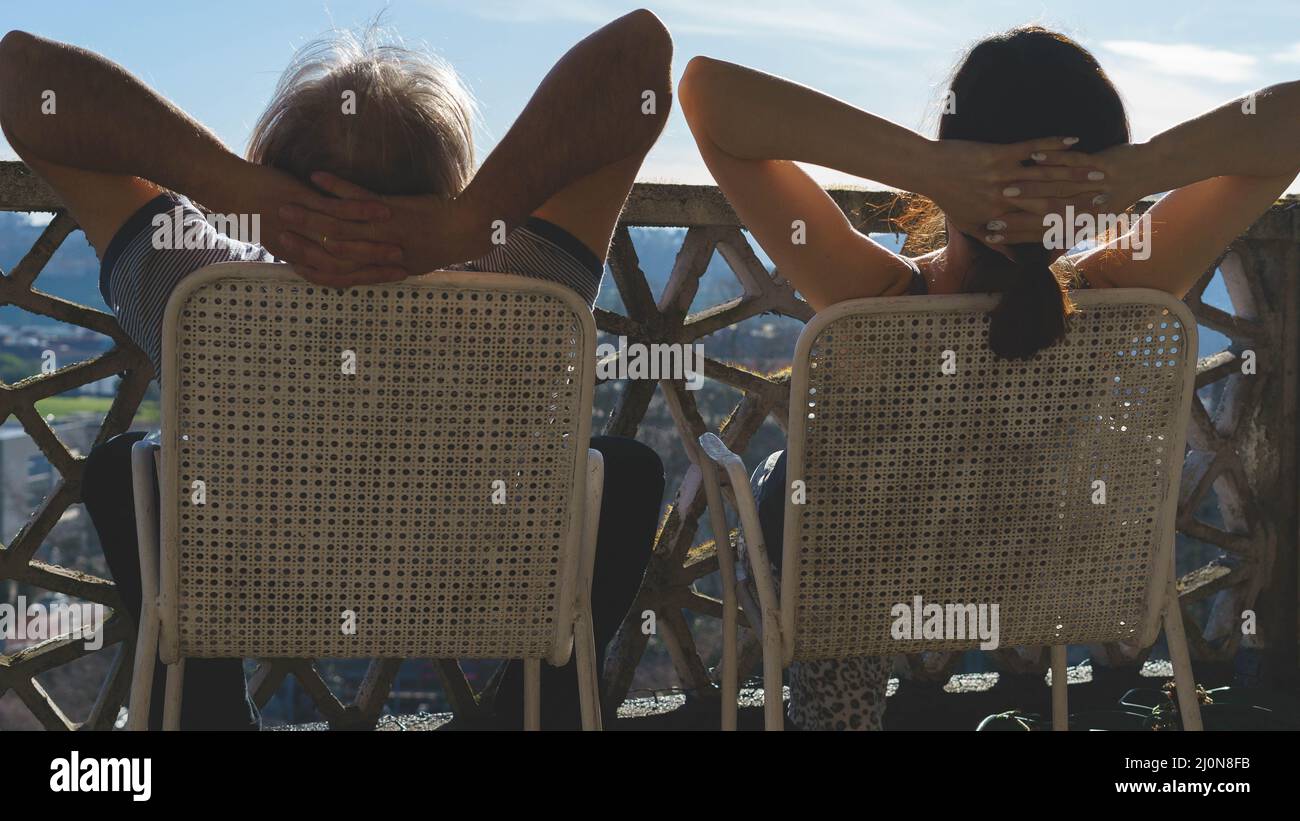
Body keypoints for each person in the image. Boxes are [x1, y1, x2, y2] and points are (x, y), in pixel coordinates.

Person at [0, 9, 673, 730]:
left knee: (123, 469)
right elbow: (639, 56)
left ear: (274, 171)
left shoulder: (195, 294)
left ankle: (204, 712)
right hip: (470, 595)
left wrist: (235, 190)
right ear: (449, 181)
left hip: (255, 596)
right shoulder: (529, 293)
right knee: (623, 469)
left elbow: (22, 79)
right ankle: (539, 712)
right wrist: (469, 220)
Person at [679, 25, 1300, 730]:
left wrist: (924, 165)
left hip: (867, 598)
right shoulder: (1124, 293)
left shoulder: (876, 300)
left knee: (787, 482)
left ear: (954, 161)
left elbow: (707, 94)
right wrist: (1138, 171)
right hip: (1048, 586)